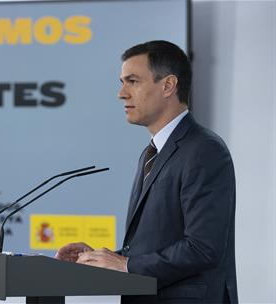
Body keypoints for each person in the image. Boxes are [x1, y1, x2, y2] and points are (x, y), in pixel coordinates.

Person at [55, 40, 238, 303]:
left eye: (133, 81)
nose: (122, 93)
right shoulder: (151, 152)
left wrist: (127, 265)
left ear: (168, 85)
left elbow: (203, 248)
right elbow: (156, 245)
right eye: (122, 82)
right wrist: (98, 259)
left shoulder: (204, 150)